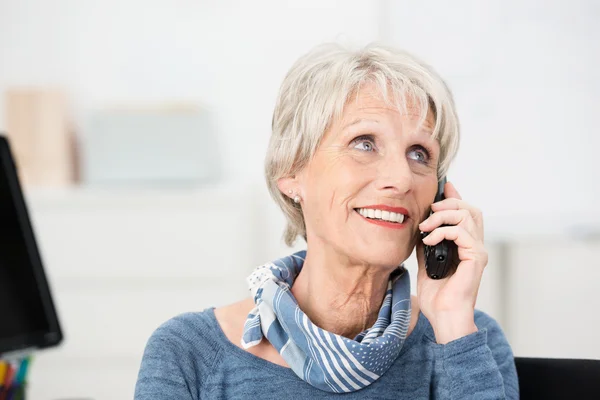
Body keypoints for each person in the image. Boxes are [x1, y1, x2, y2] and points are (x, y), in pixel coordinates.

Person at [134, 43, 519, 399]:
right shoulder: (189, 353)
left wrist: (451, 323)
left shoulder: (468, 340)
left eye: (420, 154)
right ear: (291, 171)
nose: (401, 179)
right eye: (364, 143)